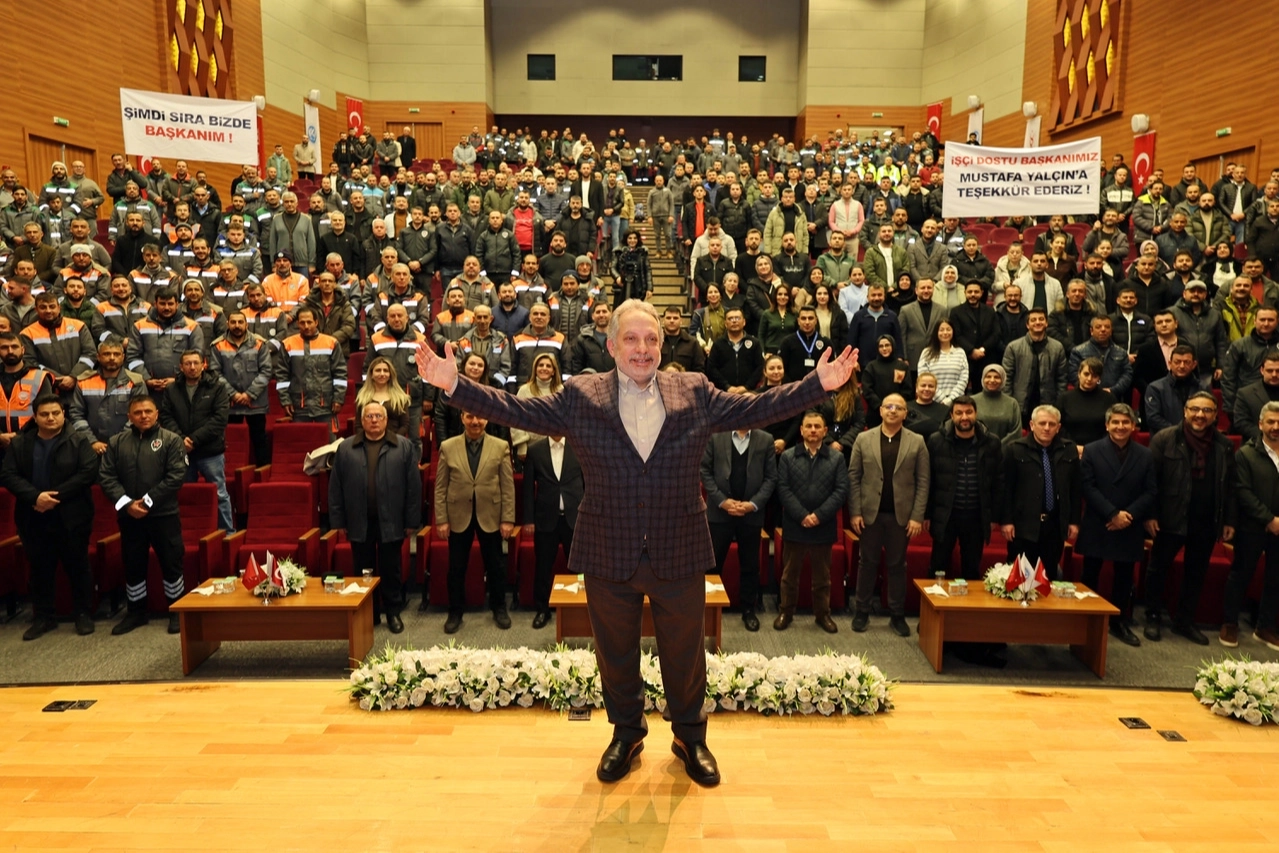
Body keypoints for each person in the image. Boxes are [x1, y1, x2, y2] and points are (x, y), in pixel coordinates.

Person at [415, 298, 857, 787]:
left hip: (679, 546)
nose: (642, 348)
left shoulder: (694, 389)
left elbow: (758, 406)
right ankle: (627, 733)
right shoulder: (581, 394)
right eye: (631, 338)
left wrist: (818, 384)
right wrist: (454, 385)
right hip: (608, 547)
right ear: (611, 346)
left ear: (662, 346)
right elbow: (516, 409)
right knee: (616, 654)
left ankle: (690, 736)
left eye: (651, 339)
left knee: (685, 654)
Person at [0, 395, 98, 639]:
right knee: (40, 569)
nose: (51, 418)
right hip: (33, 515)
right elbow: (8, 475)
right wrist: (36, 497)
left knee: (78, 567)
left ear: (63, 414)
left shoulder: (79, 440)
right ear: (35, 417)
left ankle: (83, 614)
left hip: (72, 516)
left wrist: (53, 497)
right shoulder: (20, 443)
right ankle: (44, 617)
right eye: (44, 414)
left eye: (55, 413)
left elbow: (88, 473)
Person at [1143, 391, 1234, 644]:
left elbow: (1230, 486)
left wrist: (1228, 520)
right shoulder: (1165, 439)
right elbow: (1150, 481)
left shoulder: (1224, 445)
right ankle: (1152, 616)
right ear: (1185, 411)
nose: (1200, 415)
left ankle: (1184, 621)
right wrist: (1151, 514)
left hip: (1206, 519)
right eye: (1195, 409)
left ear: (1215, 415)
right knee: (1158, 569)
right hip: (1170, 517)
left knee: (1196, 573)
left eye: (1206, 410)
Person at [97, 395, 188, 635]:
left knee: (171, 562)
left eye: (148, 411)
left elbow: (176, 477)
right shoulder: (116, 442)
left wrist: (147, 502)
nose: (143, 416)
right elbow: (106, 477)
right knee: (133, 563)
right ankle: (136, 612)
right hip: (130, 516)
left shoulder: (171, 440)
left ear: (157, 414)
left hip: (163, 515)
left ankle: (177, 611)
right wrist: (127, 504)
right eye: (137, 412)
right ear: (129, 417)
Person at [328, 401, 421, 634]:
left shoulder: (403, 446)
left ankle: (393, 612)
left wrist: (411, 521)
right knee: (363, 571)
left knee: (391, 570)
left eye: (379, 416)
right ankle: (370, 613)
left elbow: (413, 488)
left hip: (392, 520)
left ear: (386, 420)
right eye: (369, 416)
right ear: (362, 421)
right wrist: (338, 522)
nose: (374, 420)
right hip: (358, 520)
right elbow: (335, 488)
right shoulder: (346, 448)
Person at [848, 393, 929, 636]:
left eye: (898, 408)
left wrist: (917, 516)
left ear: (905, 414)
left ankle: (897, 614)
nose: (893, 411)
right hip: (869, 515)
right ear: (881, 410)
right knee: (866, 563)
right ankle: (862, 611)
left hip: (901, 517)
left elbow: (923, 481)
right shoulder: (863, 438)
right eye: (889, 406)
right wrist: (855, 512)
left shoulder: (917, 441)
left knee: (897, 566)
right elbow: (854, 477)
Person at [1076, 403, 1154, 647]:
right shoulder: (1092, 450)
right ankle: (1086, 619)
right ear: (1107, 425)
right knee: (1090, 573)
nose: (1120, 426)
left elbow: (1151, 491)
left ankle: (1119, 622)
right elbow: (1087, 486)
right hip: (1099, 521)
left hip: (1129, 524)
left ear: (1133, 426)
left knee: (1124, 576)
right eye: (1115, 422)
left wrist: (1127, 516)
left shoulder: (1146, 454)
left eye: (1125, 422)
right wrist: (1112, 514)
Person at [434, 409, 516, 633]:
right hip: (458, 515)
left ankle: (499, 608)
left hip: (490, 515)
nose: (475, 421)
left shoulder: (500, 446)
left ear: (487, 419)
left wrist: (507, 518)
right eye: (470, 416)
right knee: (456, 567)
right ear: (462, 418)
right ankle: (455, 612)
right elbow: (440, 487)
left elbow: (507, 486)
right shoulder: (448, 446)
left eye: (480, 416)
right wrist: (441, 519)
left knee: (496, 566)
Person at [775, 410, 850, 634]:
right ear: (801, 430)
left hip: (823, 526)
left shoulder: (836, 458)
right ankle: (786, 612)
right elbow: (783, 489)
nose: (813, 430)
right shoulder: (788, 456)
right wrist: (802, 515)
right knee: (789, 576)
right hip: (794, 524)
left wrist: (818, 515)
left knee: (822, 577)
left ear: (825, 431)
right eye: (809, 426)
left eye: (817, 427)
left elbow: (841, 491)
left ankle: (822, 614)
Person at [701, 426, 776, 632]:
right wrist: (722, 501)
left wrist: (753, 504)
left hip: (750, 514)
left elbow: (771, 478)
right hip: (719, 512)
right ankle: (707, 610)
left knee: (750, 566)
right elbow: (705, 471)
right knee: (712, 565)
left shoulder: (766, 439)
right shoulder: (715, 436)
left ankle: (748, 610)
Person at [926, 394, 1003, 585]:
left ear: (976, 413)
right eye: (959, 413)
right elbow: (929, 480)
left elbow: (998, 481)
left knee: (971, 569)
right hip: (946, 515)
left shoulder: (992, 442)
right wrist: (926, 514)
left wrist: (994, 516)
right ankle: (934, 603)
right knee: (938, 567)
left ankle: (967, 605)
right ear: (952, 415)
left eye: (969, 412)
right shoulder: (936, 441)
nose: (964, 417)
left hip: (976, 517)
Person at [1221, 401, 1279, 651]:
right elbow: (1242, 491)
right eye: (1271, 422)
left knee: (1276, 578)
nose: (1275, 427)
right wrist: (1270, 520)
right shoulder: (1245, 453)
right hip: (1252, 526)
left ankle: (1265, 627)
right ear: (1260, 424)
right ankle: (1229, 623)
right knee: (1240, 575)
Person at [1001, 405, 1080, 577]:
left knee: (1047, 577)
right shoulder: (1014, 449)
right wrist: (1007, 521)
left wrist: (1074, 521)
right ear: (1032, 425)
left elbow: (1075, 489)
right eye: (1042, 423)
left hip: (1054, 526)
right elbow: (1006, 489)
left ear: (1058, 427)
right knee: (1019, 579)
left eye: (1052, 424)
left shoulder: (1069, 449)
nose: (1047, 428)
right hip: (1023, 527)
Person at [159, 351, 233, 532]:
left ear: (203, 365)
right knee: (186, 494)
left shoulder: (217, 387)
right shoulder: (172, 389)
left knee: (220, 494)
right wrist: (181, 440)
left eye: (195, 363)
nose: (192, 367)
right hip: (182, 452)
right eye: (188, 364)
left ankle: (228, 534)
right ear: (181, 367)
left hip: (210, 451)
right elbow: (166, 417)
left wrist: (193, 440)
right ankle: (191, 533)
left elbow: (219, 419)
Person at [523, 434, 584, 628]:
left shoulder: (579, 446)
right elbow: (527, 488)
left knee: (579, 568)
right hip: (545, 519)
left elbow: (588, 484)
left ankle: (582, 609)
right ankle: (542, 609)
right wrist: (528, 520)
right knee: (543, 567)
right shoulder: (535, 450)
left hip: (575, 519)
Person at [208, 310, 273, 465]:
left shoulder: (259, 343)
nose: (237, 326)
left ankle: (262, 472)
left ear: (246, 324)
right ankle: (231, 471)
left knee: (259, 440)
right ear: (227, 324)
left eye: (240, 322)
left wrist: (249, 394)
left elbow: (266, 371)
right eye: (233, 322)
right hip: (229, 403)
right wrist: (233, 394)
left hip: (255, 402)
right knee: (230, 441)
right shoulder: (218, 345)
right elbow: (215, 373)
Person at [275, 306, 347, 432]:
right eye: (302, 323)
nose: (306, 326)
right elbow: (282, 376)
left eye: (309, 322)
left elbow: (340, 374)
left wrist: (338, 399)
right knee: (302, 441)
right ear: (297, 324)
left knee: (329, 443)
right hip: (299, 406)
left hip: (326, 405)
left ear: (316, 322)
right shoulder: (287, 344)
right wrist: (285, 401)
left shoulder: (331, 343)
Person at [511, 352, 563, 462]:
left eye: (548, 366)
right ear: (535, 369)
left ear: (553, 371)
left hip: (556, 448)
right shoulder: (524, 390)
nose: (544, 368)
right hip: (530, 448)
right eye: (540, 365)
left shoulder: (561, 391)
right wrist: (521, 445)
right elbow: (516, 419)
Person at [1058, 357, 1118, 447]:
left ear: (1099, 378)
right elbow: (1058, 426)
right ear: (1079, 374)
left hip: (1101, 448)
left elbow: (1112, 427)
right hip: (1069, 448)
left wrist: (1095, 448)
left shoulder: (1109, 399)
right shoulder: (1064, 398)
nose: (1089, 379)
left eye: (1094, 376)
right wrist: (1072, 446)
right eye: (1086, 374)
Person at [916, 319, 968, 405]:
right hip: (932, 401)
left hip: (956, 402)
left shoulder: (960, 352)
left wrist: (950, 399)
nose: (945, 332)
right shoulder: (927, 353)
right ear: (936, 332)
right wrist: (942, 399)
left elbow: (964, 379)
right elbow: (923, 378)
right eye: (941, 330)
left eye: (948, 329)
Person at [1235, 352, 1279, 444]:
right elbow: (1241, 423)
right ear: (1262, 370)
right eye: (1270, 371)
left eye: (1278, 371)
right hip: (1256, 445)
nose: (1274, 374)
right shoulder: (1245, 393)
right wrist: (1267, 437)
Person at [972, 364, 1022, 443]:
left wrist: (998, 446)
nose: (992, 380)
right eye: (988, 376)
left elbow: (1016, 432)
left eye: (997, 377)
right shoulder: (972, 401)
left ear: (1003, 379)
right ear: (982, 379)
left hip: (1005, 449)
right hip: (977, 448)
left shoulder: (1012, 403)